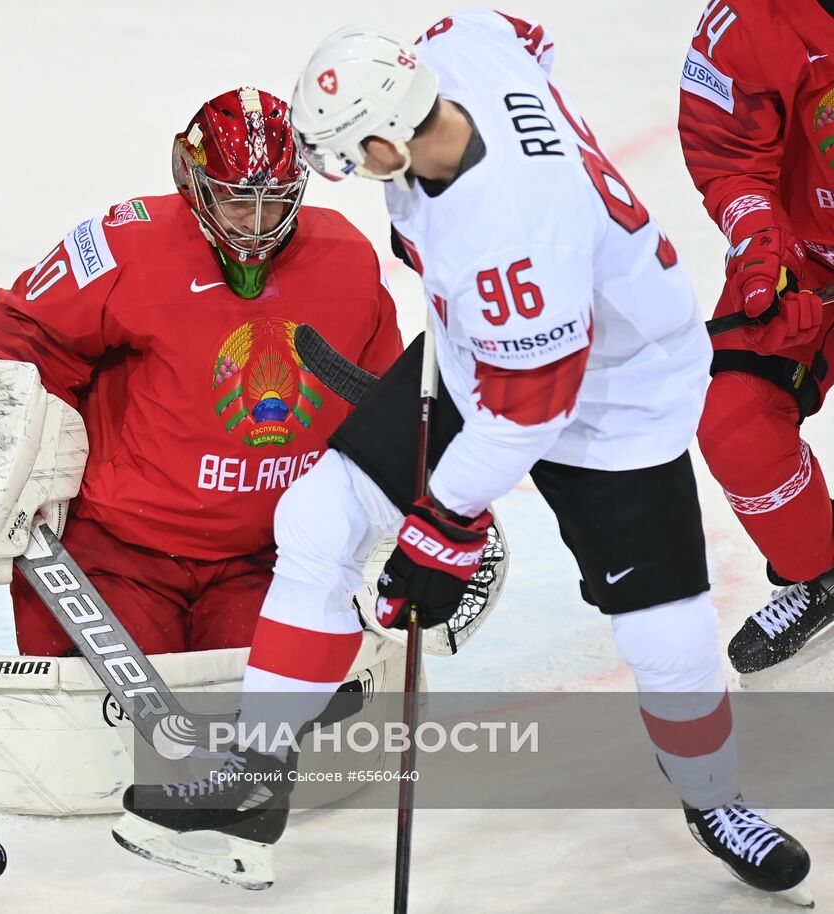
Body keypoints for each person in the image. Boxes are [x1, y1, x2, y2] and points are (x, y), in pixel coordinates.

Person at [113, 11, 813, 905]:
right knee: (319, 516)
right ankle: (255, 774)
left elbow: (528, 416)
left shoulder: (513, 241)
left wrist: (439, 532)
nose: (351, 176)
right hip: (489, 351)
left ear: (383, 135)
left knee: (665, 635)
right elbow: (519, 30)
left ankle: (717, 805)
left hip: (615, 394)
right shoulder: (457, 54)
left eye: (349, 157)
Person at [0, 86, 403, 656]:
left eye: (277, 199)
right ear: (193, 185)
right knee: (103, 730)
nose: (258, 223)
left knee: (262, 720)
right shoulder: (126, 242)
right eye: (237, 199)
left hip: (273, 555)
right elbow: (22, 329)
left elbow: (385, 402)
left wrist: (420, 513)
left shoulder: (348, 259)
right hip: (119, 553)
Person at [680, 0, 834, 678]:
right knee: (737, 428)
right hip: (808, 262)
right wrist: (760, 258)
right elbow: (731, 162)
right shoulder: (745, 19)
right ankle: (823, 574)